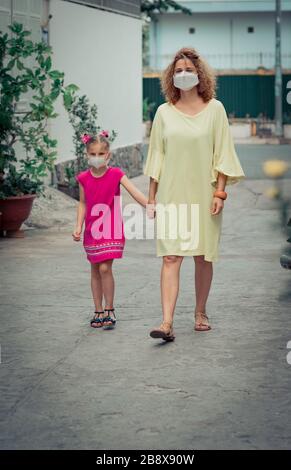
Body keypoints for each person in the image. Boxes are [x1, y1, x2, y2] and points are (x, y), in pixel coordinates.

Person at [143, 47, 246, 341]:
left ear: (199, 74)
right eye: (178, 70)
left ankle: (200, 312)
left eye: (188, 69)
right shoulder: (163, 112)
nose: (183, 74)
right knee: (170, 257)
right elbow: (156, 158)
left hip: (205, 195)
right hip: (172, 196)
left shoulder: (216, 109)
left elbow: (222, 154)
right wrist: (151, 199)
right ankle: (166, 322)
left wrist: (220, 193)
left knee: (203, 257)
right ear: (170, 77)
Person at [72, 130, 148, 330]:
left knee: (105, 268)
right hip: (91, 230)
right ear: (87, 155)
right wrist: (78, 225)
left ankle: (109, 309)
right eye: (92, 154)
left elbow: (134, 190)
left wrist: (148, 205)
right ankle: (97, 310)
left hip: (111, 228)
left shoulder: (116, 174)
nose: (96, 158)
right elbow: (82, 203)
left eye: (100, 154)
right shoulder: (83, 178)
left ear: (108, 155)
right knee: (95, 269)